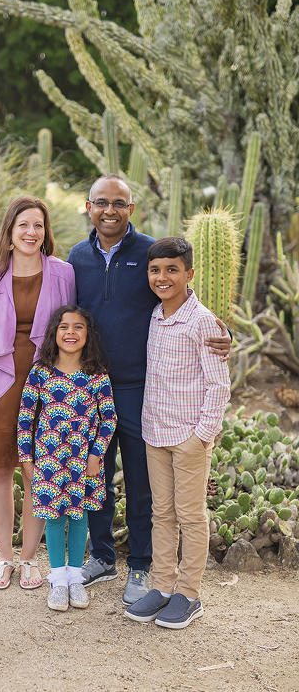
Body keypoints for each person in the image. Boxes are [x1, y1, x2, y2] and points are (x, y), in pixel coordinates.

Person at [67, 174, 232, 605]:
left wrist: (223, 330)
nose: (109, 210)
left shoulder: (149, 253)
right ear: (89, 207)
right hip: (92, 386)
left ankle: (141, 565)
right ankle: (101, 555)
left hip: (142, 390)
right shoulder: (77, 257)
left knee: (142, 482)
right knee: (95, 473)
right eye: (101, 202)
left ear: (131, 209)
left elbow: (181, 296)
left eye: (119, 203)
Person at [124, 237, 230, 628]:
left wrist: (203, 435)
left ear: (189, 273)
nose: (162, 277)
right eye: (155, 270)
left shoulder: (202, 320)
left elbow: (218, 384)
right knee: (161, 513)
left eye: (172, 270)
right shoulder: (156, 315)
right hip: (155, 432)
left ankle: (189, 593)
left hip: (188, 437)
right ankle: (163, 585)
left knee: (190, 516)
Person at [0, 196, 76, 590]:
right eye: (23, 226)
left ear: (45, 232)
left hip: (48, 384)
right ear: (10, 233)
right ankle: (4, 557)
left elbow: (75, 326)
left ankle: (31, 558)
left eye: (38, 225)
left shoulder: (64, 273)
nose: (31, 232)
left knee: (40, 471)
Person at [17, 305, 117, 611]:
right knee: (54, 516)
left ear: (88, 335)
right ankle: (58, 580)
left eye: (78, 327)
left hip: (83, 461)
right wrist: (27, 460)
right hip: (49, 460)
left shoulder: (96, 374)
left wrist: (97, 454)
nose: (70, 332)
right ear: (53, 333)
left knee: (79, 516)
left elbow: (109, 418)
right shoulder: (41, 372)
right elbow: (25, 419)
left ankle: (76, 578)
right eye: (64, 327)